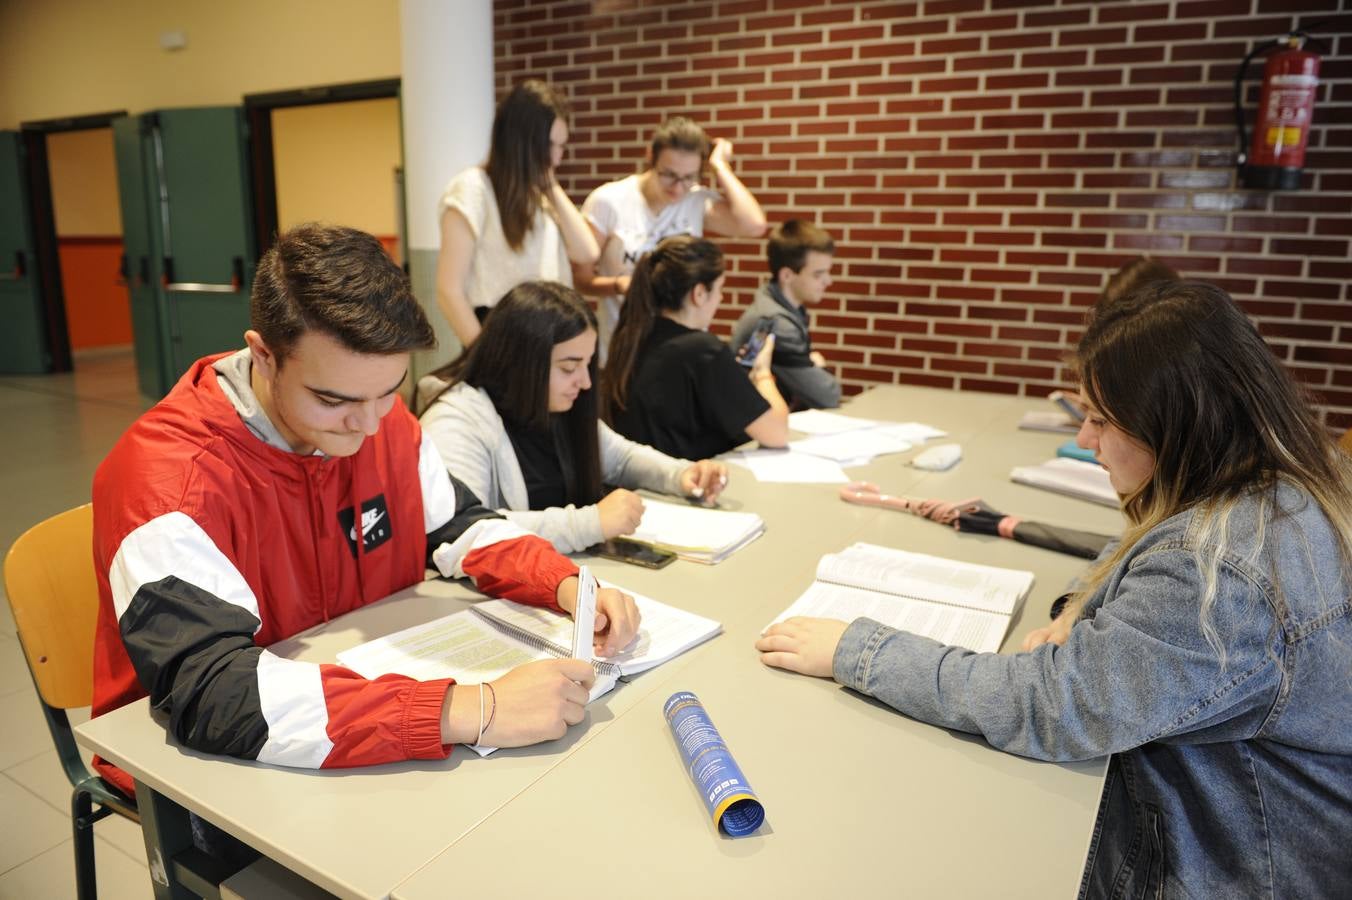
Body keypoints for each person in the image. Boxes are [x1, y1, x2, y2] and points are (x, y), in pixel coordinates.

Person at [757, 281, 1352, 897]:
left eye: (1101, 420)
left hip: (1228, 863)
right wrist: (1081, 604)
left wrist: (859, 650)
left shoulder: (1216, 574)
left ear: (1177, 425)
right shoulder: (1285, 479)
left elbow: (1052, 708)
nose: (1087, 439)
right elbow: (1143, 535)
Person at [90, 224, 640, 798]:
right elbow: (216, 694)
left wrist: (566, 585)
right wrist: (471, 708)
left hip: (362, 711)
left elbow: (458, 525)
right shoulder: (167, 485)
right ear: (264, 355)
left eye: (389, 390)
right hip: (214, 771)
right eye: (334, 400)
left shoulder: (384, 425)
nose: (371, 424)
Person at [419, 280, 729, 554]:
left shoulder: (560, 405)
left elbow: (621, 458)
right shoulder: (456, 421)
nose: (585, 382)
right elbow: (464, 530)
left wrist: (681, 475)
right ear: (522, 362)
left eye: (588, 364)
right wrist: (589, 524)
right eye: (569, 367)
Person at [575, 116, 767, 362]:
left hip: (680, 351)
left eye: (689, 178)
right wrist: (620, 285)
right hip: (622, 349)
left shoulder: (696, 201)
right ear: (651, 158)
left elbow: (754, 225)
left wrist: (720, 166)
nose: (678, 188)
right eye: (669, 175)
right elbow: (581, 278)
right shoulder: (609, 201)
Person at [436, 80, 599, 347]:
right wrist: (482, 357)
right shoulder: (472, 188)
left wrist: (551, 187)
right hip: (503, 332)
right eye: (550, 145)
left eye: (562, 146)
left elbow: (587, 253)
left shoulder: (541, 194)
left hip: (552, 330)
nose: (557, 159)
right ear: (522, 141)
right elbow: (448, 291)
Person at [600, 235, 789, 459]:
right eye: (719, 288)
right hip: (684, 482)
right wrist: (762, 373)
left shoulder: (632, 336)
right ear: (699, 293)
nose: (721, 297)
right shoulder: (702, 349)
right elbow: (777, 433)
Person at [729, 220, 841, 410]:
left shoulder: (776, 303)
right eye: (818, 274)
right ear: (787, 275)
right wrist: (819, 368)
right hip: (748, 434)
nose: (827, 281)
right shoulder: (777, 322)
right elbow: (827, 395)